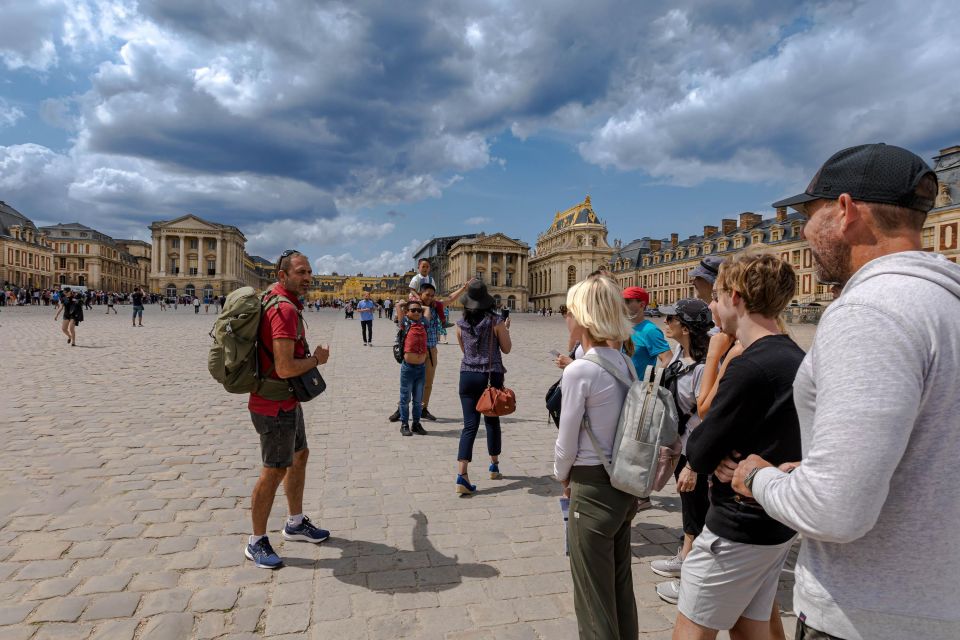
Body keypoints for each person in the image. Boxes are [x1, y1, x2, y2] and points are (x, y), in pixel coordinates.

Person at [731, 143, 960, 640]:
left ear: (845, 210)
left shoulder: (870, 311)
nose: (804, 235)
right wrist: (816, 471)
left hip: (868, 611)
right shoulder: (945, 301)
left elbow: (835, 511)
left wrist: (759, 479)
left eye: (808, 217)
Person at [673, 252, 803, 640]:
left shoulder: (750, 365)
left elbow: (699, 448)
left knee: (690, 632)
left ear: (737, 298)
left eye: (715, 296)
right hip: (774, 522)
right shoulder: (795, 355)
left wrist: (714, 458)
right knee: (750, 630)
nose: (711, 305)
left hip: (736, 526)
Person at [554, 274, 638, 640]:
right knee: (620, 591)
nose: (566, 319)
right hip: (622, 486)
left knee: (592, 602)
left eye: (569, 312)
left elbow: (566, 442)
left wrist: (561, 476)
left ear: (583, 317)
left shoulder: (580, 370)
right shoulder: (625, 363)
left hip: (590, 487)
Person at [245, 250, 331, 570]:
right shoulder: (284, 309)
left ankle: (295, 523)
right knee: (274, 470)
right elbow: (283, 367)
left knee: (300, 455)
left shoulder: (277, 298)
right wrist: (316, 360)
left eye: (309, 271)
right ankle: (256, 541)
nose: (307, 277)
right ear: (282, 276)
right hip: (275, 403)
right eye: (300, 272)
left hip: (286, 400)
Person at [647, 299, 713, 605]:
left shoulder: (702, 368)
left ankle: (692, 579)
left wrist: (696, 463)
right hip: (678, 444)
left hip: (694, 450)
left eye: (672, 319)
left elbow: (705, 417)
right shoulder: (677, 355)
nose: (666, 322)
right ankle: (685, 559)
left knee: (697, 512)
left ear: (685, 328)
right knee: (690, 508)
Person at [455, 280, 511, 495]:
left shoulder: (461, 324)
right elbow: (506, 349)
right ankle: (494, 466)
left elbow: (464, 351)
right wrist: (506, 331)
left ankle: (462, 475)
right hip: (490, 375)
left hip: (467, 375)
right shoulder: (496, 321)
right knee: (492, 421)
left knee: (469, 426)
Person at [621, 286, 672, 374]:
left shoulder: (650, 330)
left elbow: (668, 359)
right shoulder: (621, 327)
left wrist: (653, 381)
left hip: (637, 386)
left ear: (642, 304)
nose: (623, 304)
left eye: (627, 301)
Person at [397, 301, 428, 436]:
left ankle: (416, 423)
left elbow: (427, 309)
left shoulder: (424, 323)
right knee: (405, 398)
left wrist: (421, 305)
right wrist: (402, 304)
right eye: (413, 310)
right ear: (407, 313)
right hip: (408, 368)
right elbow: (398, 308)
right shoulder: (405, 323)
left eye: (418, 310)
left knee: (418, 399)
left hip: (421, 368)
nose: (416, 312)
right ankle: (404, 424)